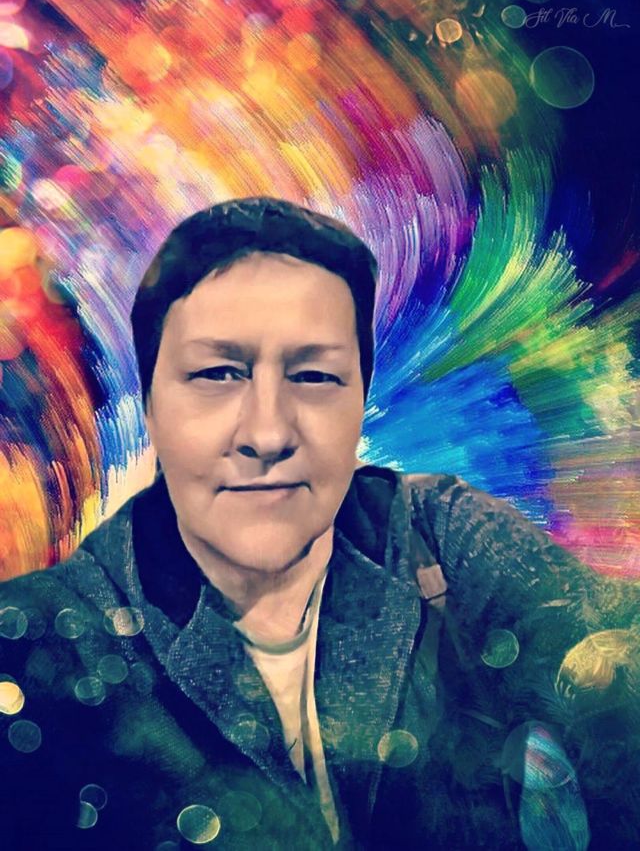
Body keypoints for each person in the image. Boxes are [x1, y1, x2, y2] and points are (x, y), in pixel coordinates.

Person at [0, 197, 638, 850]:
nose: (268, 432)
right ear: (152, 407)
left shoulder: (439, 533)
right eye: (217, 374)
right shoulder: (41, 644)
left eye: (314, 375)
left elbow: (603, 648)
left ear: (360, 399)